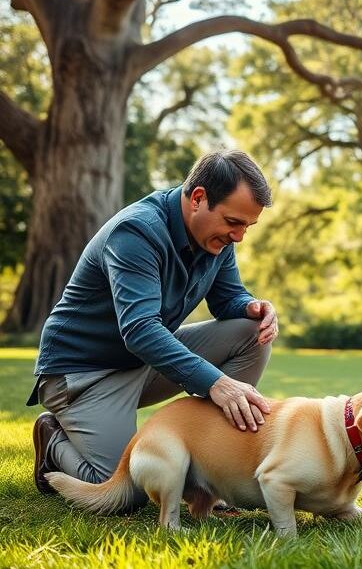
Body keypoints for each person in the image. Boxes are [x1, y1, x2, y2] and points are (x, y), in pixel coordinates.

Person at [29, 150, 279, 498]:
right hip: (81, 374)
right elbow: (140, 329)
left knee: (252, 334)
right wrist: (217, 383)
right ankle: (53, 439)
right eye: (233, 222)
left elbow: (227, 300)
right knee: (124, 490)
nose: (238, 236)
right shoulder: (136, 232)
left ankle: (209, 463)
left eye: (247, 227)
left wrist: (252, 306)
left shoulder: (216, 237)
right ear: (198, 198)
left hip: (142, 362)